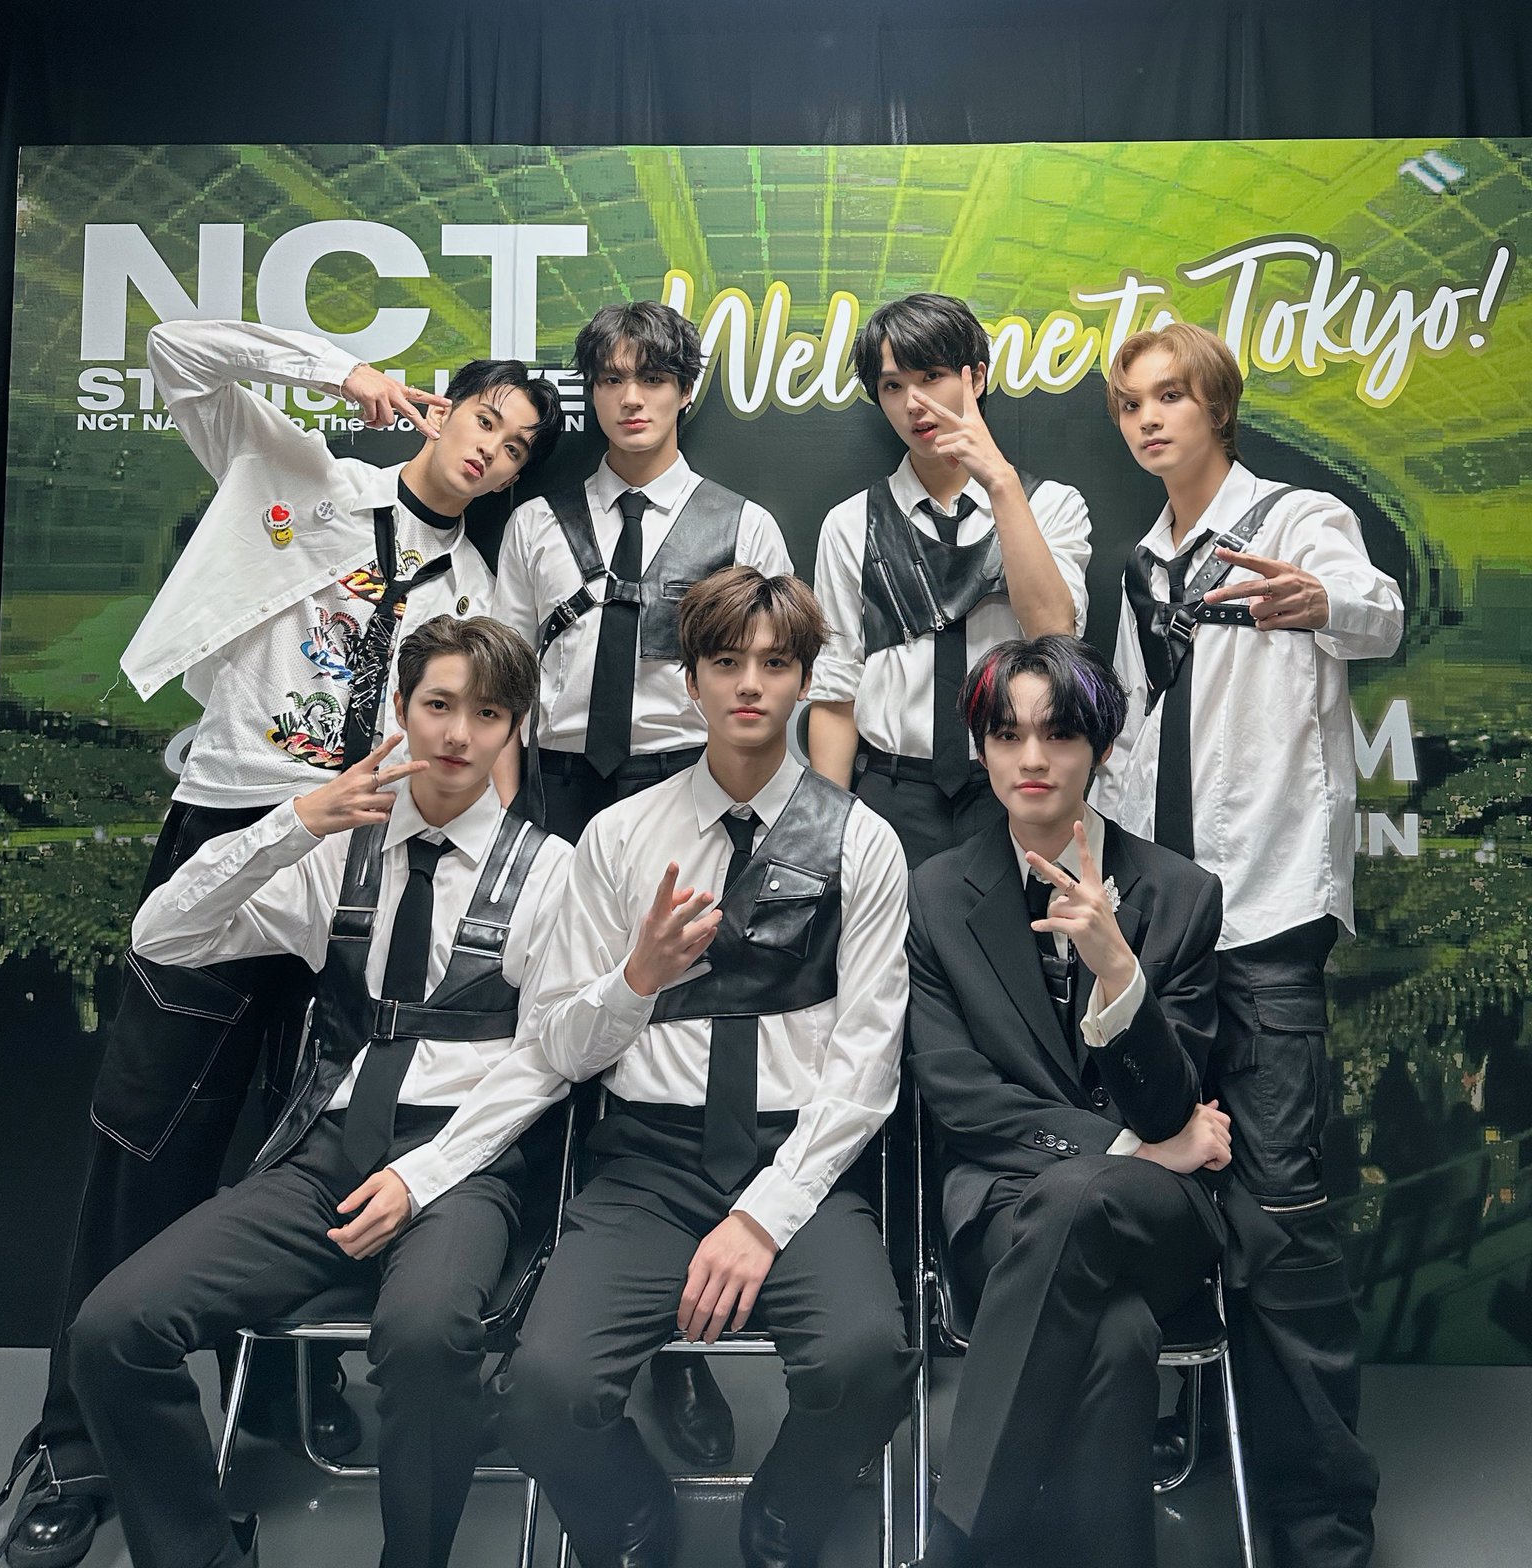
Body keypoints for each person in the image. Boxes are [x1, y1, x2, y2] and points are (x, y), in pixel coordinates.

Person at [1, 319, 561, 1568]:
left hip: (368, 859)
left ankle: (279, 1403)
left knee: (311, 1139)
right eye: (484, 418)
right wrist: (337, 374)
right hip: (238, 829)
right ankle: (74, 1448)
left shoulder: (478, 596)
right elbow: (178, 350)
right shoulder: (301, 475)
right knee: (149, 1136)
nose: (493, 450)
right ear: (443, 409)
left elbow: (496, 753)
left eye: (519, 446)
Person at [67, 615, 573, 1568]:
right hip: (323, 1159)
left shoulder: (553, 872)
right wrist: (292, 820)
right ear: (401, 708)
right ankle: (202, 1554)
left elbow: (549, 1060)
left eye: (487, 714)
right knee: (112, 1329)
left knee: (426, 1340)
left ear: (514, 730)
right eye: (438, 705)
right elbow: (161, 936)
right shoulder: (335, 851)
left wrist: (421, 1178)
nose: (458, 734)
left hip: (465, 1164)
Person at [498, 568, 918, 1568]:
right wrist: (635, 980)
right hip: (646, 1164)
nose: (750, 684)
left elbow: (866, 1067)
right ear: (690, 681)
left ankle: (783, 1520)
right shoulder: (618, 836)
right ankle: (632, 1516)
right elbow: (558, 1044)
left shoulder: (863, 842)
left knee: (868, 1362)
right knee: (543, 1388)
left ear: (806, 680)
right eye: (726, 662)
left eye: (775, 663)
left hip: (801, 1162)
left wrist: (762, 1216)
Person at [1094, 321, 1404, 1568]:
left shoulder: (1297, 519)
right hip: (1159, 935)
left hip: (1267, 922)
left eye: (1171, 394)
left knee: (1281, 1226)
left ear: (1218, 405)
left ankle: (1321, 1526)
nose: (1149, 417)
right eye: (1131, 401)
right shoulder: (1142, 565)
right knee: (1161, 1191)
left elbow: (1380, 615)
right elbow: (1129, 739)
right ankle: (1186, 1427)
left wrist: (1320, 600)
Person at [496, 298, 790, 1467]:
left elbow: (780, 686)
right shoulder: (536, 524)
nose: (631, 397)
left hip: (683, 792)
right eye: (611, 378)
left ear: (684, 389)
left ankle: (672, 1355)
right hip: (559, 795)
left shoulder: (744, 521)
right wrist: (512, 836)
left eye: (652, 377)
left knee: (669, 1048)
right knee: (546, 1038)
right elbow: (503, 690)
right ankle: (525, 1315)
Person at [904, 635, 1230, 1568]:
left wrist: (1118, 970)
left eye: (1059, 735)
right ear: (982, 750)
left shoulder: (1181, 895)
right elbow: (959, 1097)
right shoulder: (936, 894)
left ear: (1102, 747)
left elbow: (1171, 1103)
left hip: (1153, 1219)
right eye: (1008, 736)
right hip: (1005, 1211)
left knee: (1079, 1198)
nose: (1033, 759)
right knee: (1117, 1335)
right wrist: (1136, 1149)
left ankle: (958, 1541)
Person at [808, 292, 1090, 869]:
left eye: (932, 376)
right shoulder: (849, 523)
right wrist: (824, 832)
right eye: (892, 386)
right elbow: (836, 692)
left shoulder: (1051, 506)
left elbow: (1054, 633)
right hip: (890, 789)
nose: (915, 403)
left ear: (976, 378)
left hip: (1016, 789)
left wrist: (1001, 487)